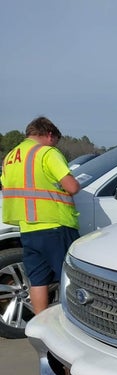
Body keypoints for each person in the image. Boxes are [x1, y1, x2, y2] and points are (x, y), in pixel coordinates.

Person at [1, 116, 80, 315]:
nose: (55, 145)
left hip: (27, 227)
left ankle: (41, 326)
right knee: (69, 277)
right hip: (54, 224)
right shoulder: (46, 153)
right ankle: (71, 323)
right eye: (56, 141)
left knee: (37, 280)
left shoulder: (11, 156)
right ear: (49, 135)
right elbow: (72, 187)